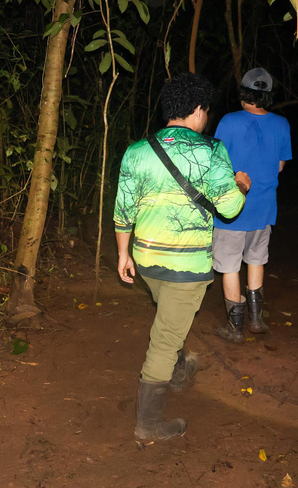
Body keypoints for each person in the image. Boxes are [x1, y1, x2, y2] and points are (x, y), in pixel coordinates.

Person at [114, 73, 250, 441]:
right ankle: (149, 426)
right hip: (187, 266)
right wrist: (241, 184)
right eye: (206, 110)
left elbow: (123, 209)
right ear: (197, 110)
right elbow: (231, 209)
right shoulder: (211, 151)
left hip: (146, 259)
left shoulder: (137, 150)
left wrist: (123, 254)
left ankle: (176, 371)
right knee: (165, 338)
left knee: (168, 319)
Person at [213, 68, 293, 343]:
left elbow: (219, 165)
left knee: (230, 265)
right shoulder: (282, 124)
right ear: (268, 95)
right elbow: (279, 166)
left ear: (243, 93)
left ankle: (234, 328)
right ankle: (257, 320)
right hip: (265, 207)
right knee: (256, 260)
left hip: (233, 209)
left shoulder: (228, 121)